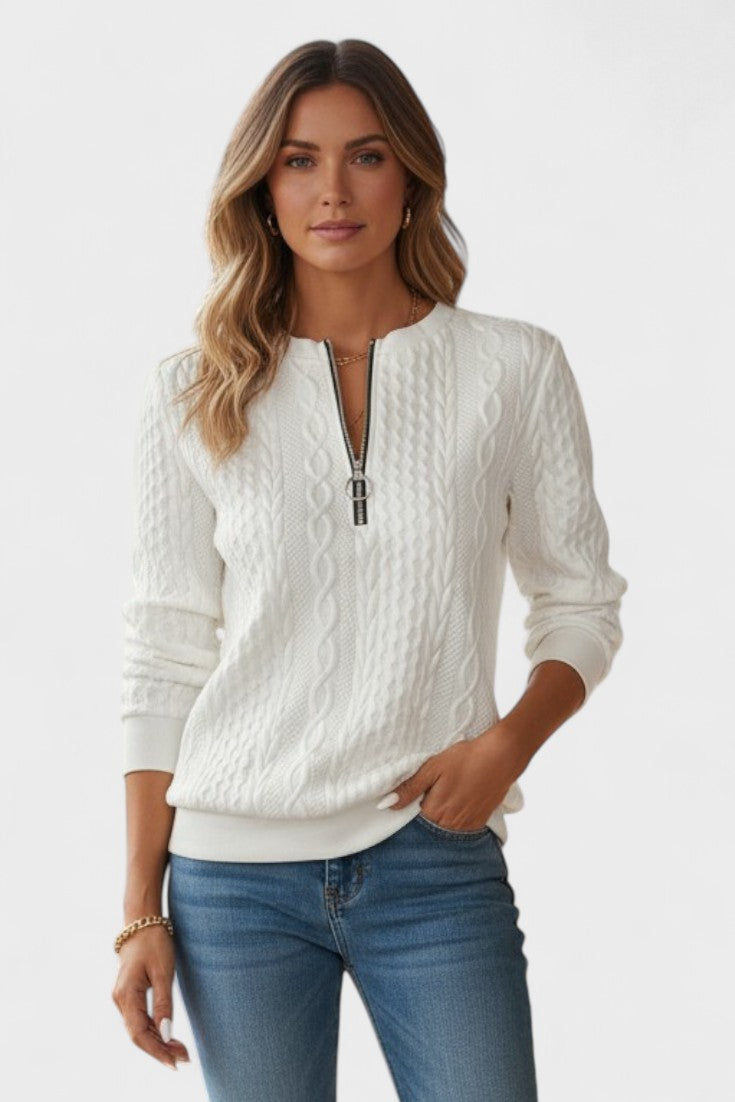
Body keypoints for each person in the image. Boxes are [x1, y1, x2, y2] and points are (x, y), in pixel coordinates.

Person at [111, 38, 628, 1102]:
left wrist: (505, 745)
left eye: (367, 156)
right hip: (231, 882)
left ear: (413, 178)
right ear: (263, 188)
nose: (333, 191)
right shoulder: (191, 392)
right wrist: (138, 910)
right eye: (299, 160)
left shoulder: (513, 367)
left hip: (432, 859)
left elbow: (580, 603)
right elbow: (163, 653)